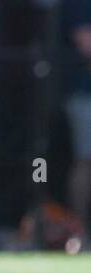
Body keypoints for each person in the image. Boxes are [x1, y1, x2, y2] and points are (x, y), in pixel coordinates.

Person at [64, 0, 91, 238]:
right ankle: (79, 232)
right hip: (85, 94)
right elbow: (86, 44)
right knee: (85, 160)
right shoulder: (80, 3)